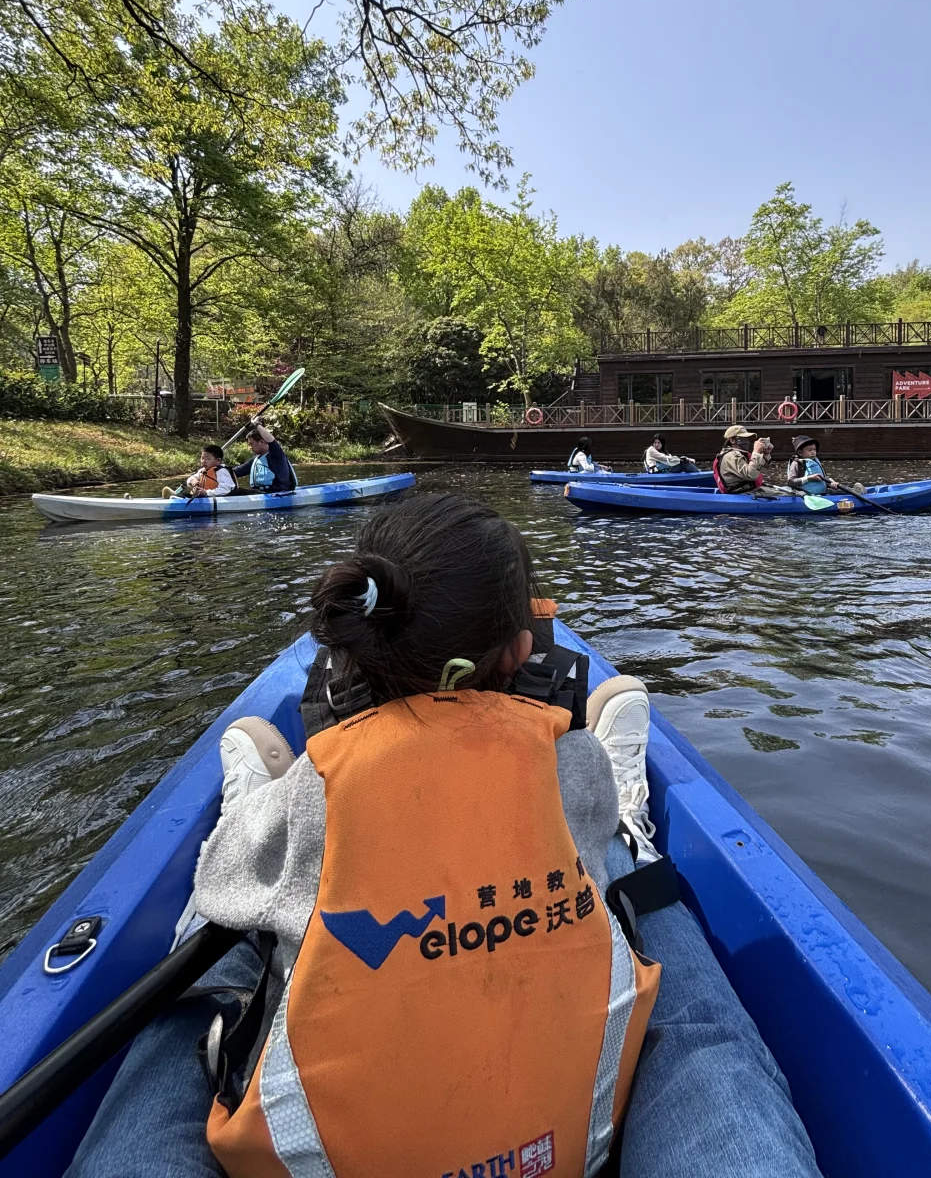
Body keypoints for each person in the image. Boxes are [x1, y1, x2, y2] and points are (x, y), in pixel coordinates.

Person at [69, 494, 822, 1178]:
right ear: (520, 654)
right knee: (629, 892)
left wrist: (265, 838)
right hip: (567, 1151)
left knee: (227, 928)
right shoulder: (566, 760)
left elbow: (224, 881)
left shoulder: (316, 784)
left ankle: (246, 801)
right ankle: (629, 832)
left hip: (320, 1163)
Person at [230, 421, 297, 493]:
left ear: (262, 442)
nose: (249, 447)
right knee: (235, 490)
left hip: (278, 494)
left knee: (237, 492)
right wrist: (219, 469)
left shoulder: (276, 456)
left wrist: (257, 424)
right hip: (262, 494)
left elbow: (271, 441)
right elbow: (236, 471)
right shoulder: (255, 460)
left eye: (251, 444)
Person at [162, 445, 237, 501]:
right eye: (202, 458)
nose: (204, 461)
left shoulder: (222, 471)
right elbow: (190, 478)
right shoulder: (202, 470)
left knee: (187, 497)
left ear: (218, 461)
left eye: (208, 459)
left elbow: (225, 489)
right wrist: (193, 481)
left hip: (218, 498)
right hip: (206, 498)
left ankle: (176, 498)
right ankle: (176, 497)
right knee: (188, 495)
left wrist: (206, 493)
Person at [715, 424, 775, 494]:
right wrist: (756, 453)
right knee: (788, 495)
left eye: (747, 439)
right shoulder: (731, 456)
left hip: (749, 491)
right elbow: (751, 475)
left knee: (787, 491)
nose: (747, 442)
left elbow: (759, 471)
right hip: (742, 494)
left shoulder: (740, 454)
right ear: (732, 440)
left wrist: (765, 455)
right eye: (743, 439)